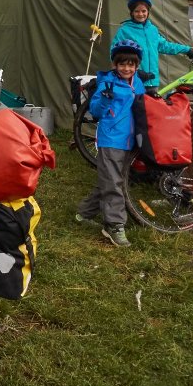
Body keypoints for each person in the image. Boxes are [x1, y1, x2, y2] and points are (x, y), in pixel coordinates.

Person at [75, 39, 146, 247]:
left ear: (136, 66)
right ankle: (113, 225)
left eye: (131, 64)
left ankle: (83, 213)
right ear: (115, 64)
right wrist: (105, 99)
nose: (126, 68)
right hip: (111, 139)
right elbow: (95, 111)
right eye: (122, 64)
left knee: (112, 178)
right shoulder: (107, 82)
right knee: (113, 181)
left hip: (130, 140)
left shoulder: (137, 83)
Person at [110, 0, 193, 92]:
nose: (140, 14)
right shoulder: (124, 30)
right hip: (133, 80)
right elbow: (114, 54)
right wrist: (135, 72)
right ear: (132, 13)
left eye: (144, 11)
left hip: (153, 81)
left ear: (148, 12)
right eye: (137, 11)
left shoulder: (152, 29)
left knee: (153, 107)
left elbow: (165, 46)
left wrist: (188, 50)